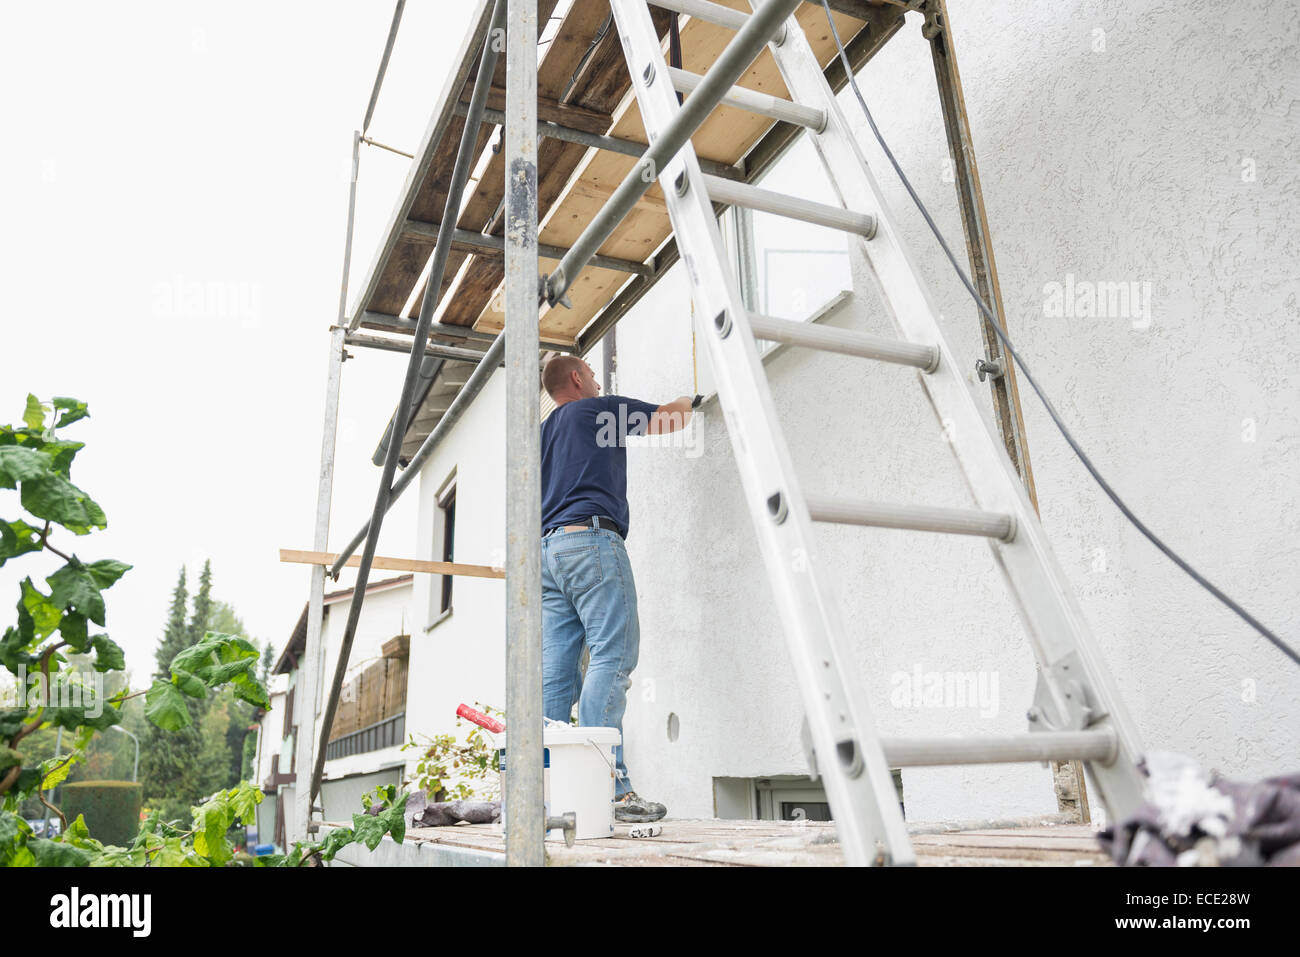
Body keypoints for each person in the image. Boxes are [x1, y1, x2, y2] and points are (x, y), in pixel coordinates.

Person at [539, 354, 697, 823]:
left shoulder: (542, 433)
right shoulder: (594, 411)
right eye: (590, 372)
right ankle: (612, 788)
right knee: (611, 657)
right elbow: (670, 418)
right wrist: (694, 397)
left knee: (557, 676)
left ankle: (543, 789)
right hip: (591, 542)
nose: (594, 378)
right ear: (576, 378)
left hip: (548, 554)